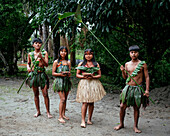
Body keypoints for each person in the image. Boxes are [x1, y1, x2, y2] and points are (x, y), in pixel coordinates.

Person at [114, 45, 149, 133]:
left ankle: (135, 126)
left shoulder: (142, 64)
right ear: (129, 53)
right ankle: (121, 124)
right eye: (132, 52)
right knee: (122, 106)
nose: (133, 54)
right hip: (128, 88)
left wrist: (147, 90)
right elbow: (125, 77)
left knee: (136, 107)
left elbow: (147, 77)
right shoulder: (127, 64)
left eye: (135, 52)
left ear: (138, 53)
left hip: (138, 88)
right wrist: (122, 71)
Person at [76, 49, 106, 128]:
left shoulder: (96, 64)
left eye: (90, 54)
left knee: (91, 102)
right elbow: (77, 74)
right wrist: (83, 76)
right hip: (84, 83)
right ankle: (83, 120)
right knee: (85, 102)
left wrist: (93, 76)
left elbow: (99, 75)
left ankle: (89, 119)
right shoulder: (81, 64)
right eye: (86, 54)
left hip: (93, 83)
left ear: (93, 55)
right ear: (84, 55)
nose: (88, 56)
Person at [26, 38, 52, 118]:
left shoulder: (44, 53)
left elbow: (47, 64)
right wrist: (28, 67)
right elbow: (28, 63)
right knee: (36, 94)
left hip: (42, 75)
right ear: (33, 45)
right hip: (34, 75)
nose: (37, 44)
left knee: (45, 94)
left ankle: (48, 112)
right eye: (36, 43)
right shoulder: (30, 54)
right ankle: (38, 111)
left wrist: (42, 57)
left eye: (39, 43)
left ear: (41, 44)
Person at [52, 46, 71, 123]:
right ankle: (60, 117)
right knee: (62, 99)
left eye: (65, 51)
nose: (63, 53)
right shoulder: (56, 62)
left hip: (66, 81)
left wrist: (68, 73)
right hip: (59, 82)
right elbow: (53, 73)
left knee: (65, 99)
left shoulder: (68, 62)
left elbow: (69, 73)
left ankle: (63, 114)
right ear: (59, 52)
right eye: (62, 51)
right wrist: (60, 74)